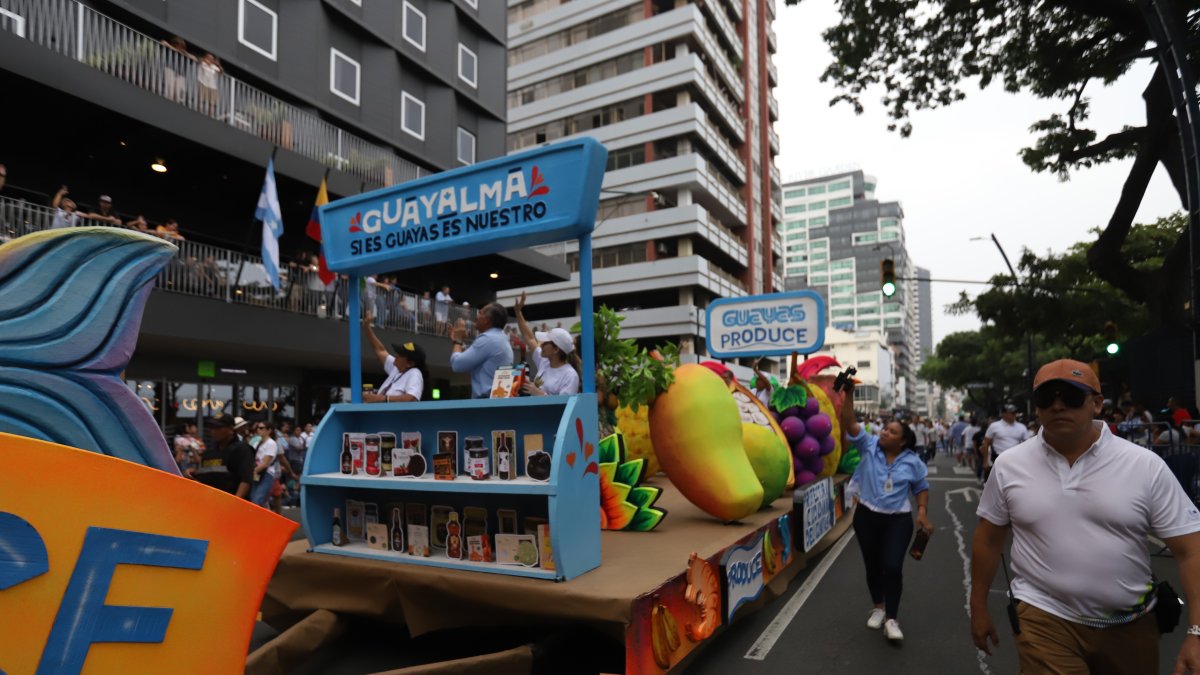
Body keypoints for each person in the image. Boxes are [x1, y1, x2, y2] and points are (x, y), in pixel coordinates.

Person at [972, 359, 1200, 674]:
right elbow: (988, 539)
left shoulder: (1144, 465)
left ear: (1096, 404)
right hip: (1043, 617)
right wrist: (977, 607)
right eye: (1046, 398)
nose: (1058, 406)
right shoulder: (1009, 465)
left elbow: (1190, 549)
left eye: (1071, 396)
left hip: (1131, 623)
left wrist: (1196, 632)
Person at [840, 380, 932, 642]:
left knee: (892, 566)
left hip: (898, 521)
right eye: (885, 429)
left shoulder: (913, 462)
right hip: (867, 516)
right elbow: (849, 422)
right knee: (872, 565)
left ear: (902, 442)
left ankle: (892, 618)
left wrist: (922, 512)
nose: (884, 433)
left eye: (891, 432)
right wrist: (849, 395)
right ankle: (878, 607)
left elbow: (921, 487)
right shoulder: (868, 445)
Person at [513, 291, 580, 396]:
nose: (541, 344)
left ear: (556, 349)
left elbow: (564, 404)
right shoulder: (544, 361)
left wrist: (539, 393)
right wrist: (518, 312)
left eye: (546, 342)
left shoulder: (570, 375)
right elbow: (529, 338)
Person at [450, 303, 513, 399]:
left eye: (480, 313)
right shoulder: (502, 338)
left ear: (487, 320)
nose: (476, 316)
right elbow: (477, 356)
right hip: (496, 400)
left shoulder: (487, 339)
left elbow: (457, 365)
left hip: (486, 403)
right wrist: (459, 343)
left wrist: (458, 341)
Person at [361, 314, 429, 402]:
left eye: (401, 355)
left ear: (410, 363)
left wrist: (382, 398)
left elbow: (411, 398)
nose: (396, 355)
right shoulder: (397, 368)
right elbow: (380, 350)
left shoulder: (414, 373)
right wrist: (367, 327)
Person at [194, 415, 254, 498]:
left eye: (218, 427)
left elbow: (246, 480)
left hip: (231, 502)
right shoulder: (209, 453)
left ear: (231, 429)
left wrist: (235, 501)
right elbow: (203, 478)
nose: (213, 431)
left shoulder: (242, 450)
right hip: (211, 501)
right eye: (212, 427)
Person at [979, 404, 1031, 481]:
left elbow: (1028, 444)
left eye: (1015, 412)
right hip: (998, 458)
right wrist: (985, 461)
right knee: (998, 481)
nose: (1014, 414)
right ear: (1003, 414)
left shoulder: (1021, 427)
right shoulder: (994, 426)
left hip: (1016, 459)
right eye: (1011, 413)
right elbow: (986, 443)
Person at [250, 422, 282, 508]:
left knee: (257, 500)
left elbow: (265, 464)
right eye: (257, 428)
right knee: (255, 499)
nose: (258, 430)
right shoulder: (258, 443)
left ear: (269, 430)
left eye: (261, 428)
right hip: (257, 474)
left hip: (266, 474)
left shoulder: (271, 443)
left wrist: (253, 471)